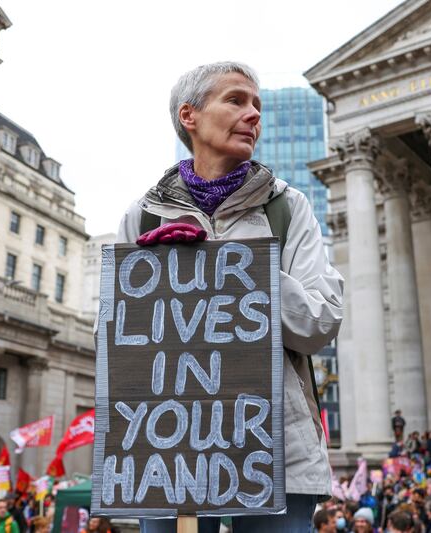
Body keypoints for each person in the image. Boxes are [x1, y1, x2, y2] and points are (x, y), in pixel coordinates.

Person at [120, 61, 343, 533]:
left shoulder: (289, 208)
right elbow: (113, 345)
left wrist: (236, 266)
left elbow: (320, 324)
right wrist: (154, 286)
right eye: (237, 100)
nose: (253, 115)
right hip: (169, 455)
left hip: (275, 455)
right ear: (189, 116)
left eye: (257, 105)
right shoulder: (141, 218)